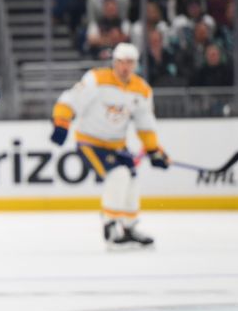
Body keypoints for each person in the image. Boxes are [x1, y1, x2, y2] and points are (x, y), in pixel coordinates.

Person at [50, 43, 170, 247]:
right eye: (121, 62)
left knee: (131, 178)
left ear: (135, 65)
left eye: (129, 63)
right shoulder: (97, 79)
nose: (125, 67)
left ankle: (129, 227)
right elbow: (71, 99)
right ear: (114, 62)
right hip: (90, 141)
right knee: (118, 175)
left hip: (117, 145)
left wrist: (154, 149)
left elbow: (145, 125)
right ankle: (111, 227)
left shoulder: (141, 90)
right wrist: (62, 122)